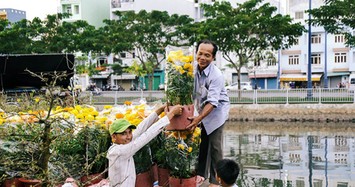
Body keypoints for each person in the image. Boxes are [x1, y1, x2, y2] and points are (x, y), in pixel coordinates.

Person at [186, 39, 230, 187]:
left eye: (207, 55)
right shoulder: (191, 69)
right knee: (201, 144)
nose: (202, 58)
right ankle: (200, 175)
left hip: (216, 113)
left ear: (213, 58)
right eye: (200, 54)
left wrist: (198, 118)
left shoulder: (216, 75)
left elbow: (212, 102)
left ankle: (216, 181)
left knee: (215, 147)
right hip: (201, 111)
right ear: (195, 53)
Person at [107, 104, 183, 187]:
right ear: (114, 137)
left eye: (129, 132)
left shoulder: (123, 144)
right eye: (123, 134)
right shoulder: (119, 151)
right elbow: (146, 136)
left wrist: (160, 109)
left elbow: (140, 129)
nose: (129, 136)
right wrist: (170, 115)